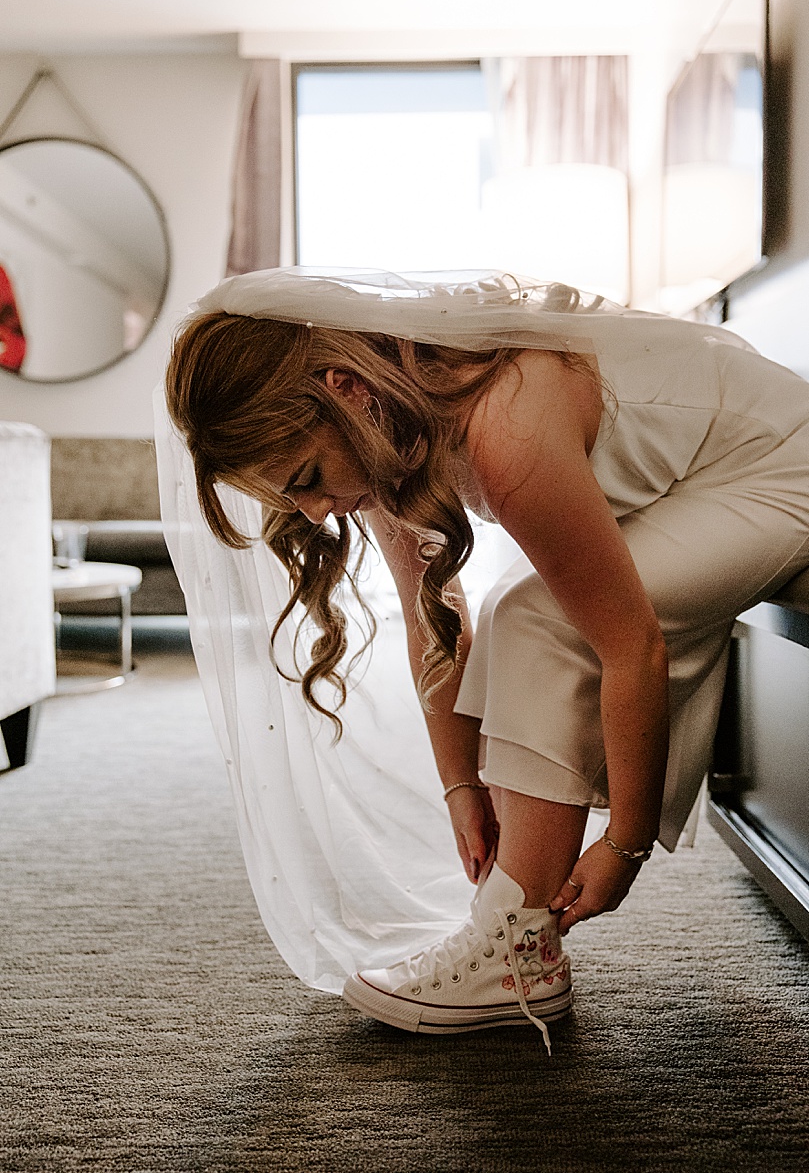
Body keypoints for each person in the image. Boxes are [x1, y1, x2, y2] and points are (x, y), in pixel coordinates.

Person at [158, 268, 809, 1053]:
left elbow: (628, 647)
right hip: (697, 481)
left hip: (781, 466)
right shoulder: (391, 435)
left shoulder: (507, 425)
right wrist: (459, 783)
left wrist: (624, 845)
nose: (314, 512)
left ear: (345, 390)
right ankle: (513, 934)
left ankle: (514, 946)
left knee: (533, 613)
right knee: (516, 609)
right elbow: (436, 624)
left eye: (305, 478)